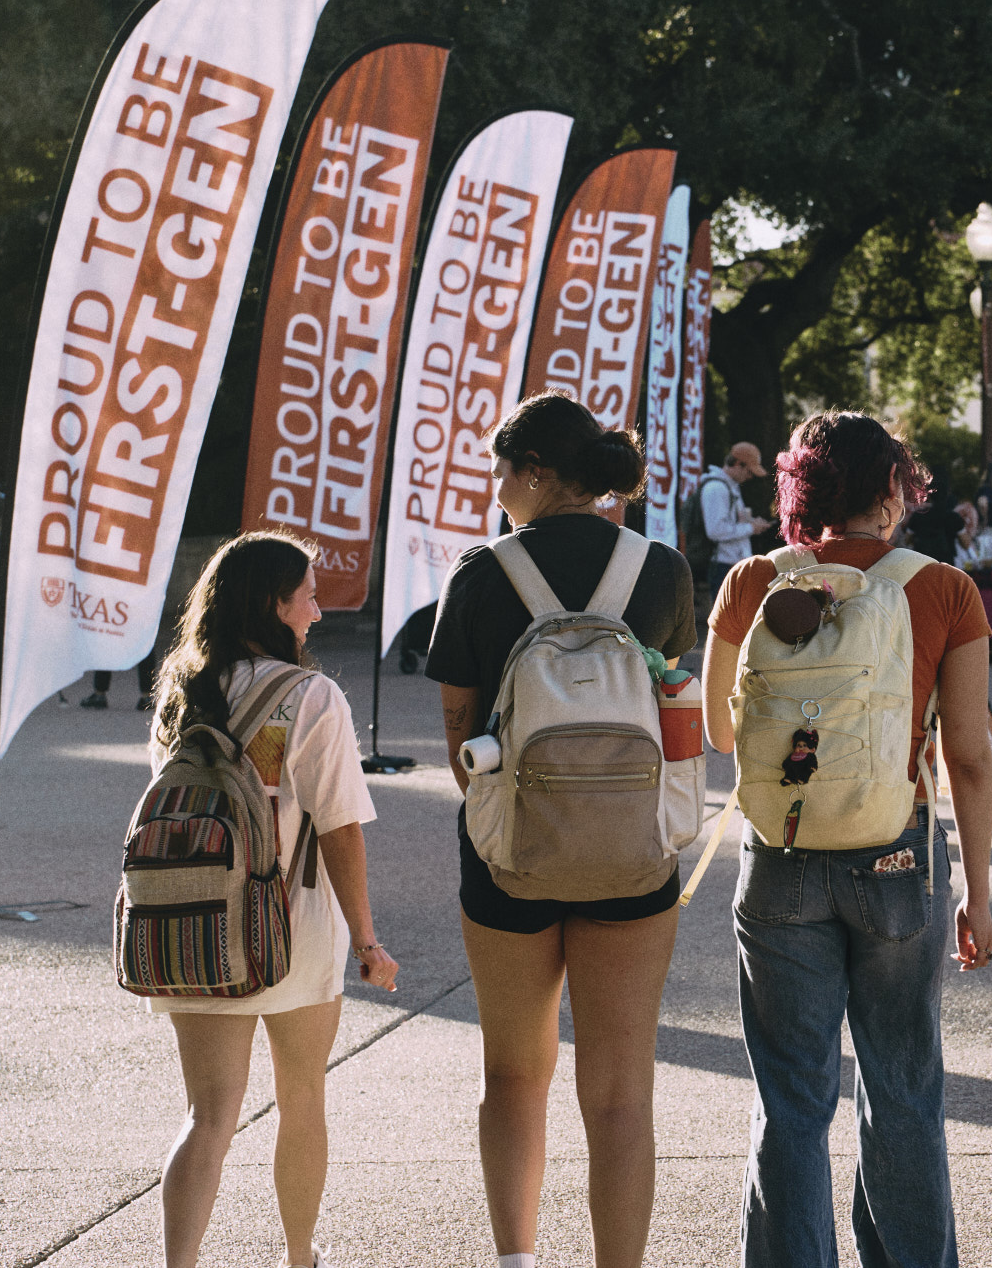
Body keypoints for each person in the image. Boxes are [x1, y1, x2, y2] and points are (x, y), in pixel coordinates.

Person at [703, 411, 992, 1268]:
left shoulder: (754, 579)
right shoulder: (943, 588)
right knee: (902, 1089)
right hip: (898, 855)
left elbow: (723, 735)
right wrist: (977, 892)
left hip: (782, 855)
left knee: (791, 1099)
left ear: (801, 491)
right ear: (892, 491)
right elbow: (970, 760)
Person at [425, 394, 696, 1268]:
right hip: (632, 854)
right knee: (620, 1091)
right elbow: (674, 708)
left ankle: (516, 1260)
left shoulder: (480, 573)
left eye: (501, 470)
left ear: (536, 471)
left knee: (513, 1073)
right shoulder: (660, 570)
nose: (496, 487)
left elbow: (461, 745)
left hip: (509, 857)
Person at [146, 531, 399, 1268]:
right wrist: (368, 939)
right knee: (301, 1098)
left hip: (194, 919)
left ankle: (179, 1264)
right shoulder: (309, 697)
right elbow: (342, 831)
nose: (317, 611)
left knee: (208, 1114)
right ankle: (297, 1256)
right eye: (309, 594)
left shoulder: (179, 695)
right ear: (273, 602)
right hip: (292, 926)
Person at [699, 441, 772, 593]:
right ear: (738, 464)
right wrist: (751, 527)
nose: (750, 477)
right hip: (723, 566)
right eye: (749, 472)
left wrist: (752, 523)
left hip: (733, 563)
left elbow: (731, 522)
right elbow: (715, 530)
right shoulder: (716, 489)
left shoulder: (731, 486)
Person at [905, 467, 967, 565]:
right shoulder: (953, 517)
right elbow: (966, 544)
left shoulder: (918, 515)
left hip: (922, 567)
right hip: (946, 567)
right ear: (948, 490)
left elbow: (907, 540)